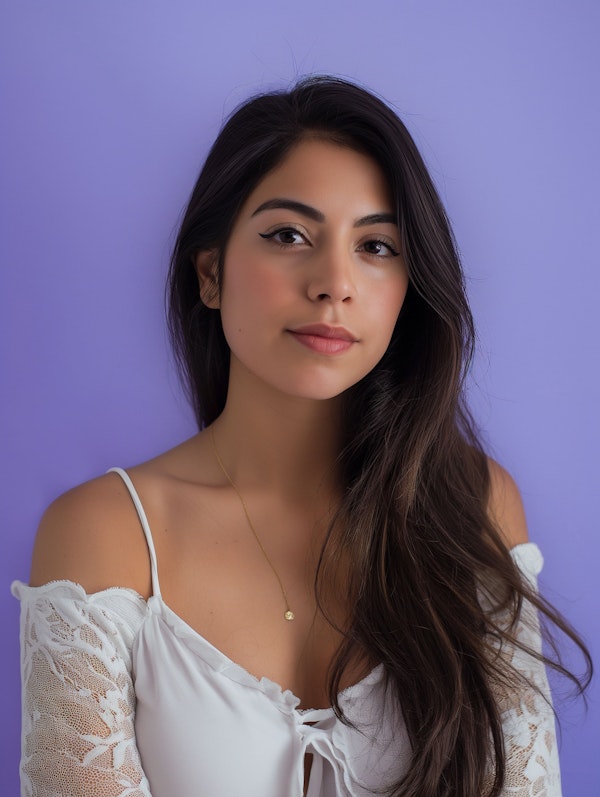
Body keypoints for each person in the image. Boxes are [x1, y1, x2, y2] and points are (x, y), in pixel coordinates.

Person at [12, 76, 591, 797]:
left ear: (409, 287)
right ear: (211, 273)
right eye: (290, 235)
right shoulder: (106, 534)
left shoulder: (471, 504)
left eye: (376, 245)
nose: (334, 283)